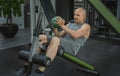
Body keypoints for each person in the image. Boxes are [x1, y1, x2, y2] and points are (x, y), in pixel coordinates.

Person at [16, 7, 91, 76]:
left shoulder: (86, 26)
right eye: (74, 14)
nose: (75, 16)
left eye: (78, 15)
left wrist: (62, 26)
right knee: (41, 37)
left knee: (55, 40)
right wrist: (55, 28)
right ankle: (26, 66)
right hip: (63, 42)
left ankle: (40, 71)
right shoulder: (70, 24)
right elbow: (58, 36)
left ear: (84, 17)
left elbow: (76, 35)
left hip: (72, 47)